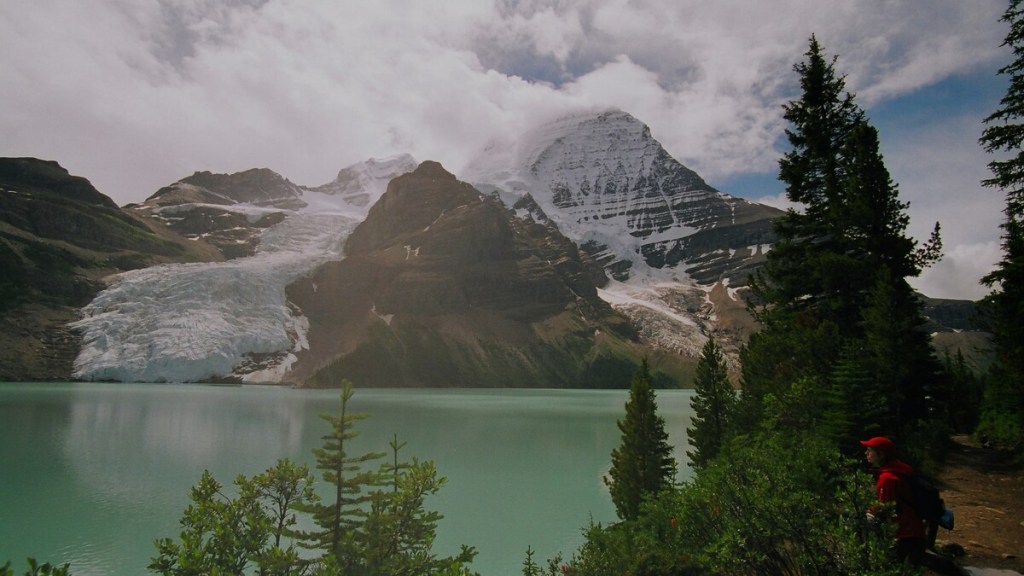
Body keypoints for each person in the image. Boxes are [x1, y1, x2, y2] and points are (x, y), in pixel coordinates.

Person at [860, 436, 927, 565]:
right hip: (915, 532)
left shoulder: (888, 478)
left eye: (869, 450)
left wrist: (867, 511)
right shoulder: (901, 468)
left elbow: (884, 508)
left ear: (881, 454)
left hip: (903, 535)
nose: (866, 453)